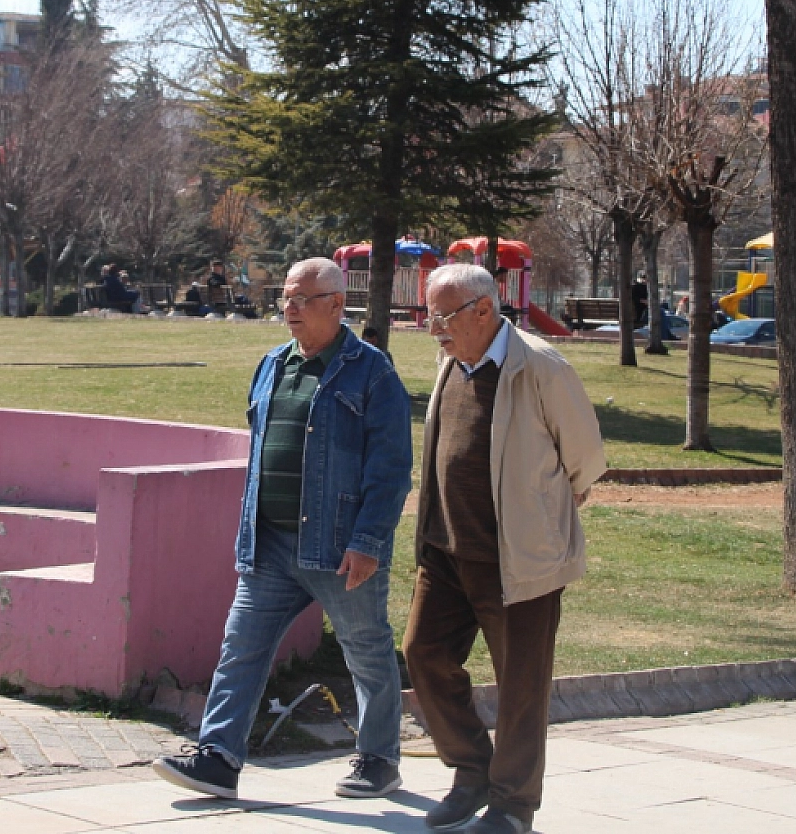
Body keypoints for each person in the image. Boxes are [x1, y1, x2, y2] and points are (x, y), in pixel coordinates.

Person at [155, 257, 413, 802]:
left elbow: (390, 469)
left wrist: (368, 542)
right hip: (270, 545)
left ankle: (378, 759)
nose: (289, 309)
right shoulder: (272, 363)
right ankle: (219, 757)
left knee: (366, 650)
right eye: (285, 298)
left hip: (339, 548)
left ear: (337, 304)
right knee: (240, 647)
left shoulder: (372, 372)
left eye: (302, 299)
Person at [405, 263, 606, 834]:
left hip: (518, 559)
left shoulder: (539, 366)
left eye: (441, 316)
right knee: (424, 653)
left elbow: (585, 458)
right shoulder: (452, 363)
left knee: (520, 687)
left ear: (484, 311)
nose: (432, 328)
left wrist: (542, 504)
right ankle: (471, 772)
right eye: (429, 315)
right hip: (445, 552)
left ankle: (512, 807)